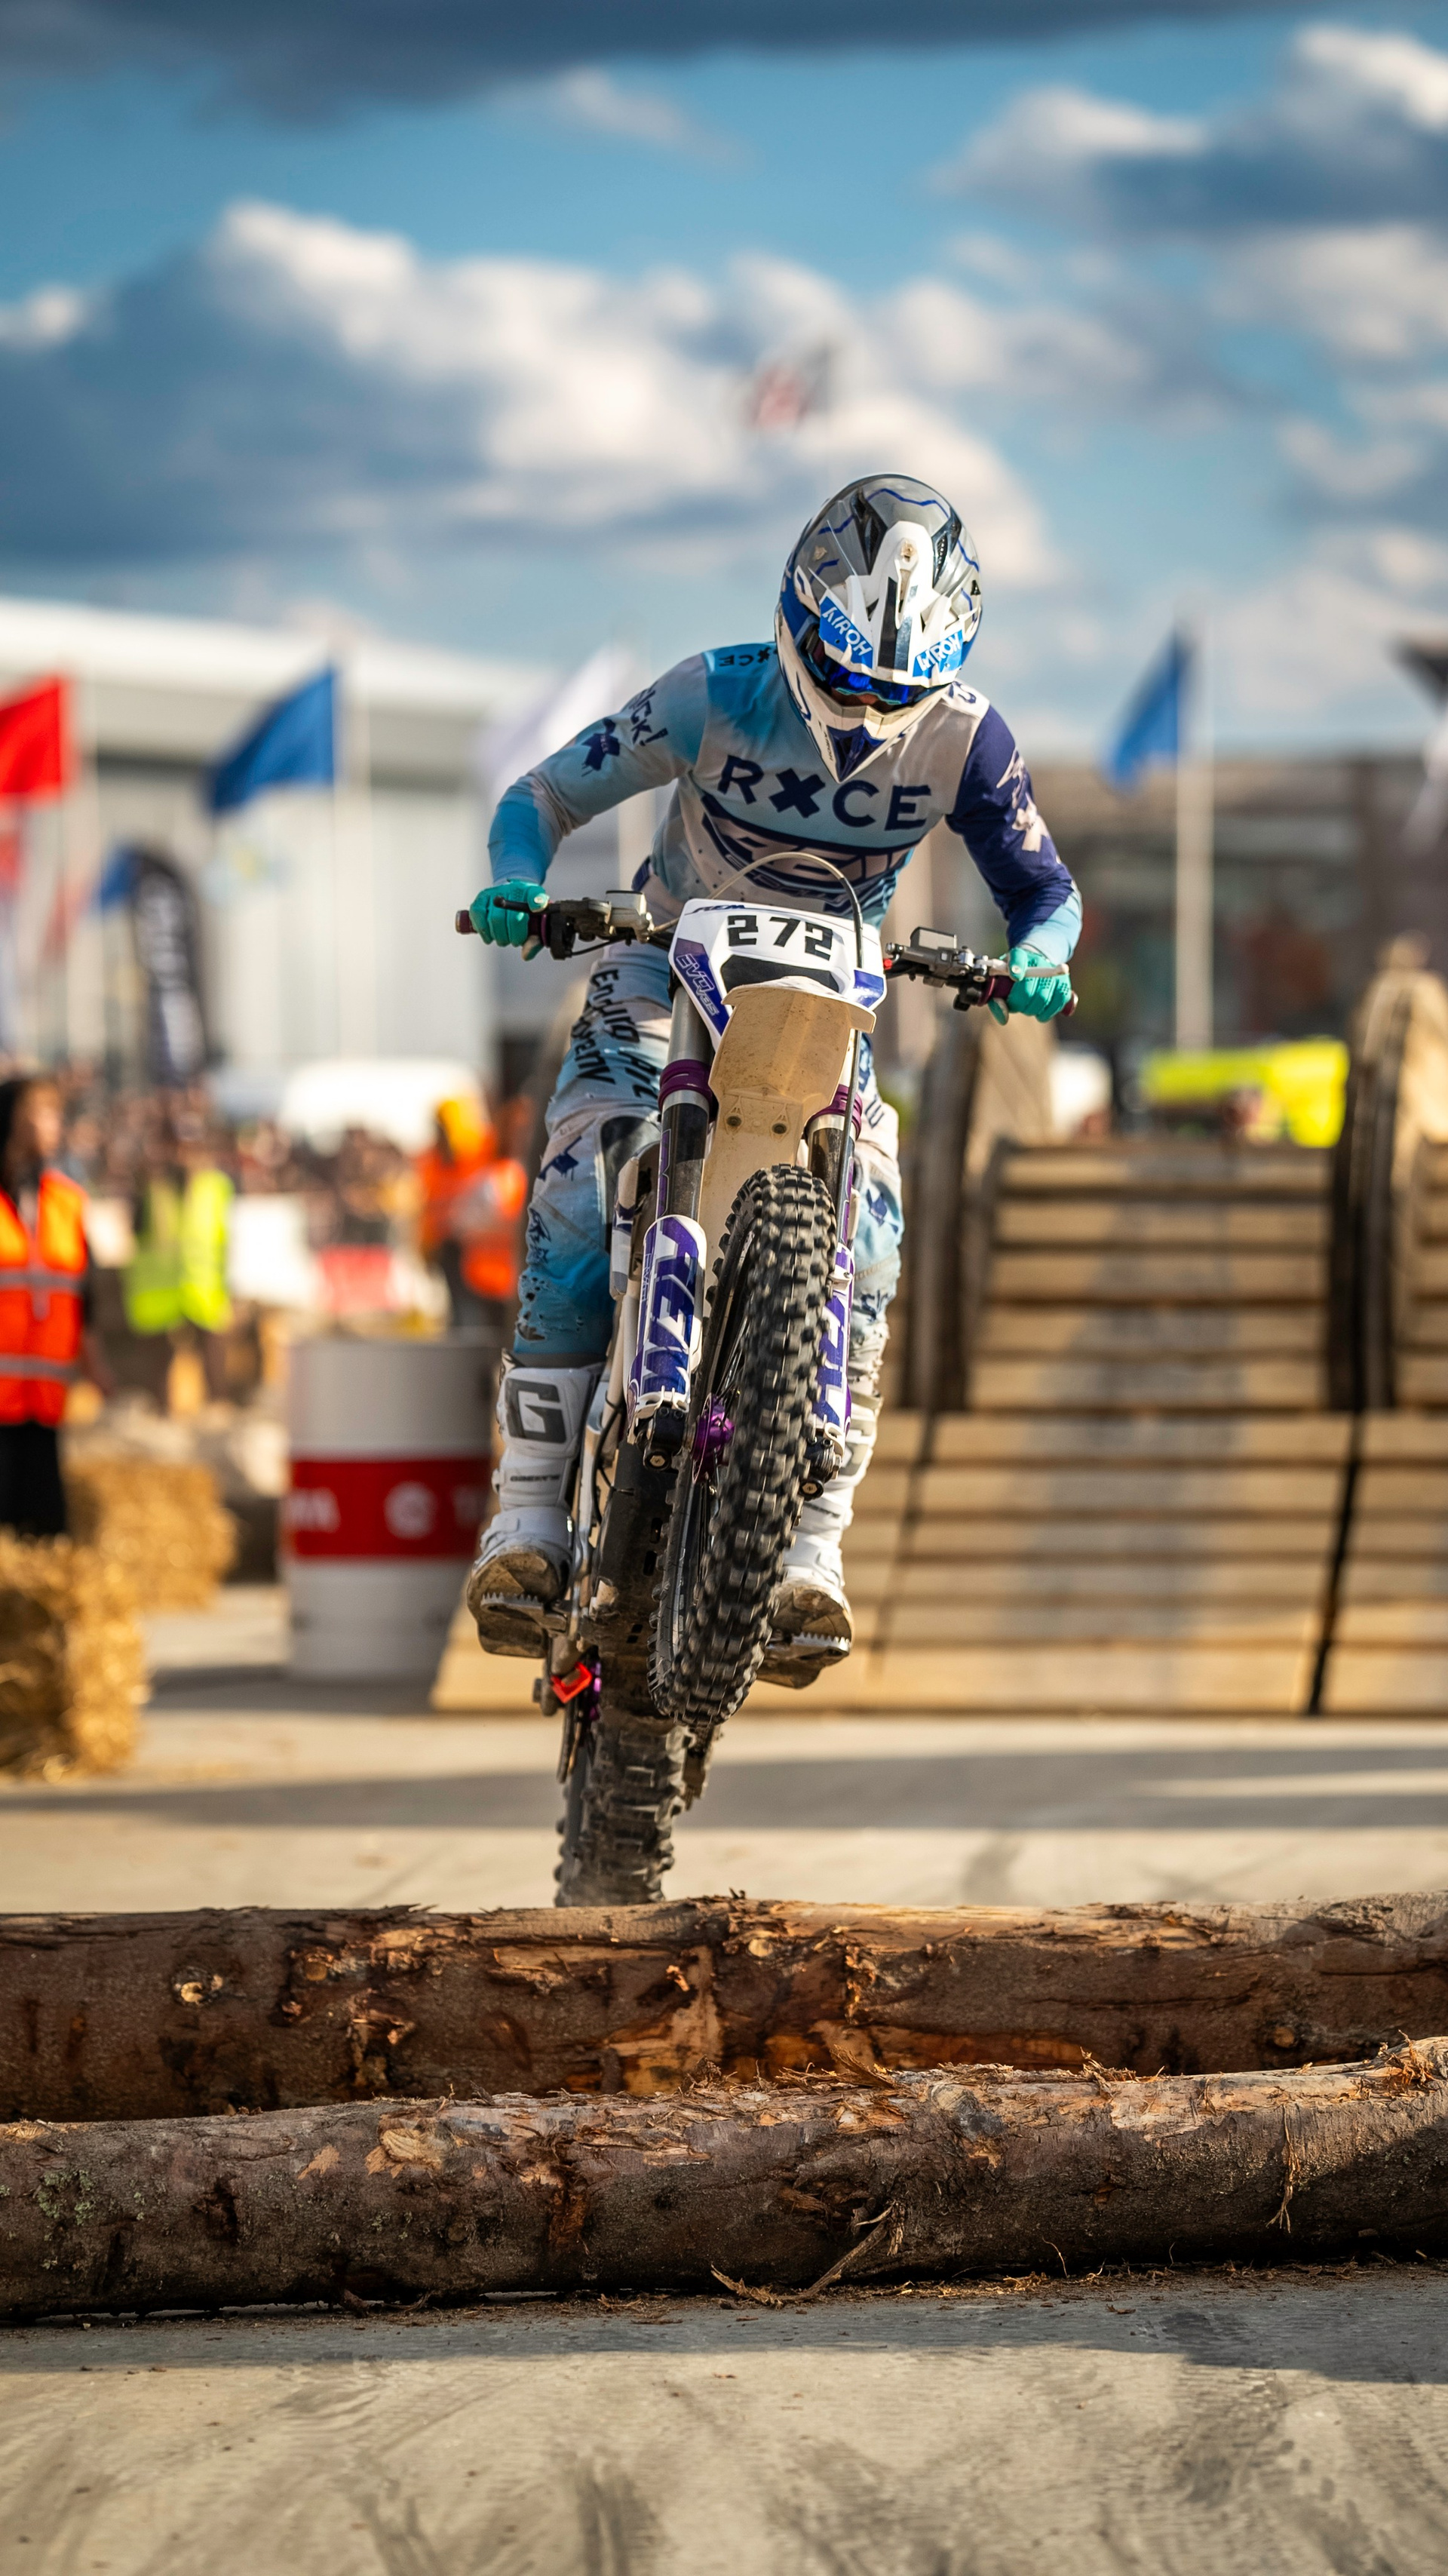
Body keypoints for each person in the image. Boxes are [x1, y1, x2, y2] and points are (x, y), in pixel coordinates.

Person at [465, 474, 1080, 1680]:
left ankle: (814, 1547)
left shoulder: (970, 738)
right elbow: (542, 793)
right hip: (662, 964)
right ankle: (527, 1512)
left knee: (876, 1236)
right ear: (800, 620)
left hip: (827, 1001)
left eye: (898, 688)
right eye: (848, 673)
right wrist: (519, 884)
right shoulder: (711, 692)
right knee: (584, 1183)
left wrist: (1040, 961)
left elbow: (1042, 889)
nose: (868, 707)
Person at [0, 1073, 114, 1537]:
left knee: (46, 1527)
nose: (53, 1124)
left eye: (56, 1113)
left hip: (44, 1399)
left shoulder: (66, 1201)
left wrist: (96, 1367)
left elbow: (83, 1295)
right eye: (41, 1112)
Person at [416, 1095, 526, 1331]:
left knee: (486, 1324)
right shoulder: (433, 1160)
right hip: (456, 1250)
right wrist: (427, 1242)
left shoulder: (482, 1156)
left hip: (491, 1263)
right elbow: (428, 1204)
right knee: (466, 1320)